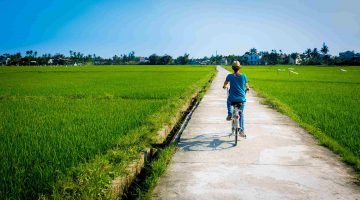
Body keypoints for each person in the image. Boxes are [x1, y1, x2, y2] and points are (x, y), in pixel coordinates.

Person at [222, 60, 250, 137]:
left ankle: (230, 114)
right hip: (241, 99)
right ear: (239, 68)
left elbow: (225, 83)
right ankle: (241, 131)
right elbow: (247, 85)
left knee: (228, 101)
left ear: (232, 68)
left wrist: (224, 86)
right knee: (241, 113)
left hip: (232, 98)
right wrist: (247, 88)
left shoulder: (229, 76)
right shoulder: (244, 76)